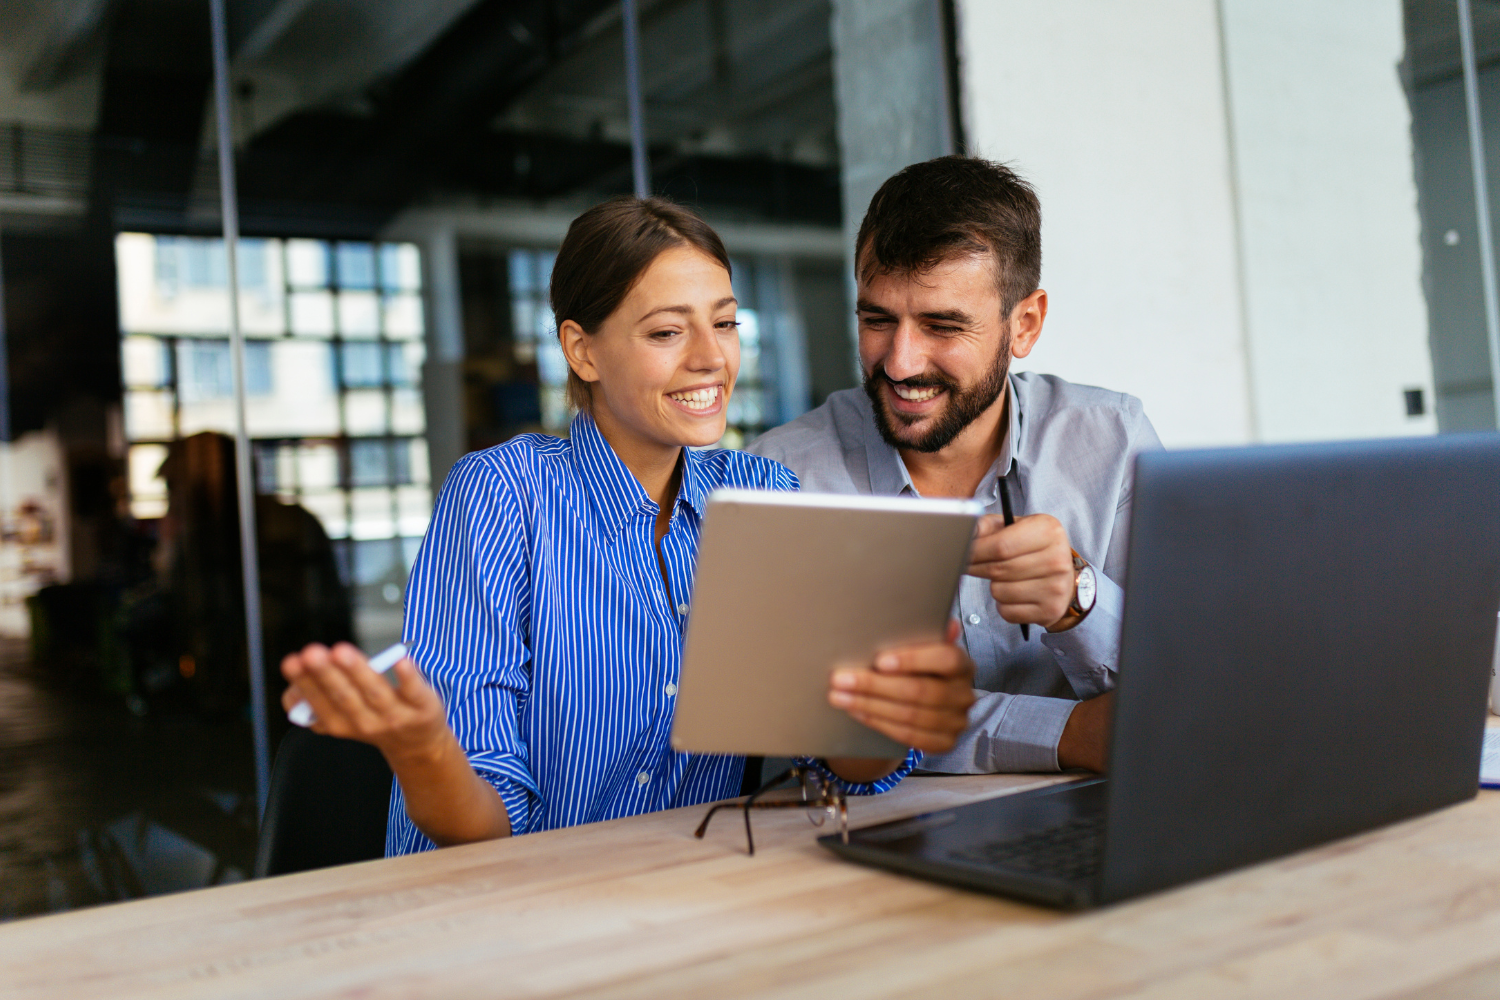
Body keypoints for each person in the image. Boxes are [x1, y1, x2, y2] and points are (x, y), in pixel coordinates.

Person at [279, 196, 976, 852]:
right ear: (582, 351)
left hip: (678, 896)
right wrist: (423, 746)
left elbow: (844, 765)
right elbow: (481, 834)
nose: (710, 356)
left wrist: (882, 710)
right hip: (501, 917)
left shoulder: (763, 491)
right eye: (668, 332)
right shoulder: (503, 496)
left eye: (726, 322)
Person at [751, 156, 1163, 775]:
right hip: (868, 837)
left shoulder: (1111, 439)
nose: (900, 362)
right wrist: (1065, 733)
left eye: (943, 325)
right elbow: (819, 728)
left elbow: (1185, 685)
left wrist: (1079, 600)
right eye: (877, 320)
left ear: (1024, 325)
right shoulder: (785, 473)